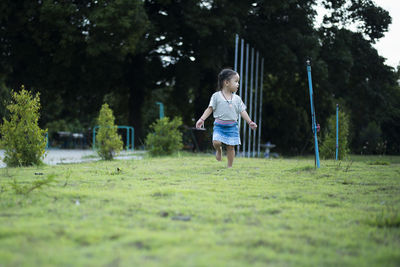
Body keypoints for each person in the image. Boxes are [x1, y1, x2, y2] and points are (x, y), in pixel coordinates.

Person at [196, 68, 257, 168]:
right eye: (236, 81)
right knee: (216, 142)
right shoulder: (216, 96)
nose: (238, 84)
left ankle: (229, 166)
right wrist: (202, 119)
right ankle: (218, 150)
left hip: (232, 126)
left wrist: (250, 122)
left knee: (231, 147)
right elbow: (209, 109)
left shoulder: (237, 99)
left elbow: (242, 111)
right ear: (227, 82)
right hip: (219, 126)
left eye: (238, 82)